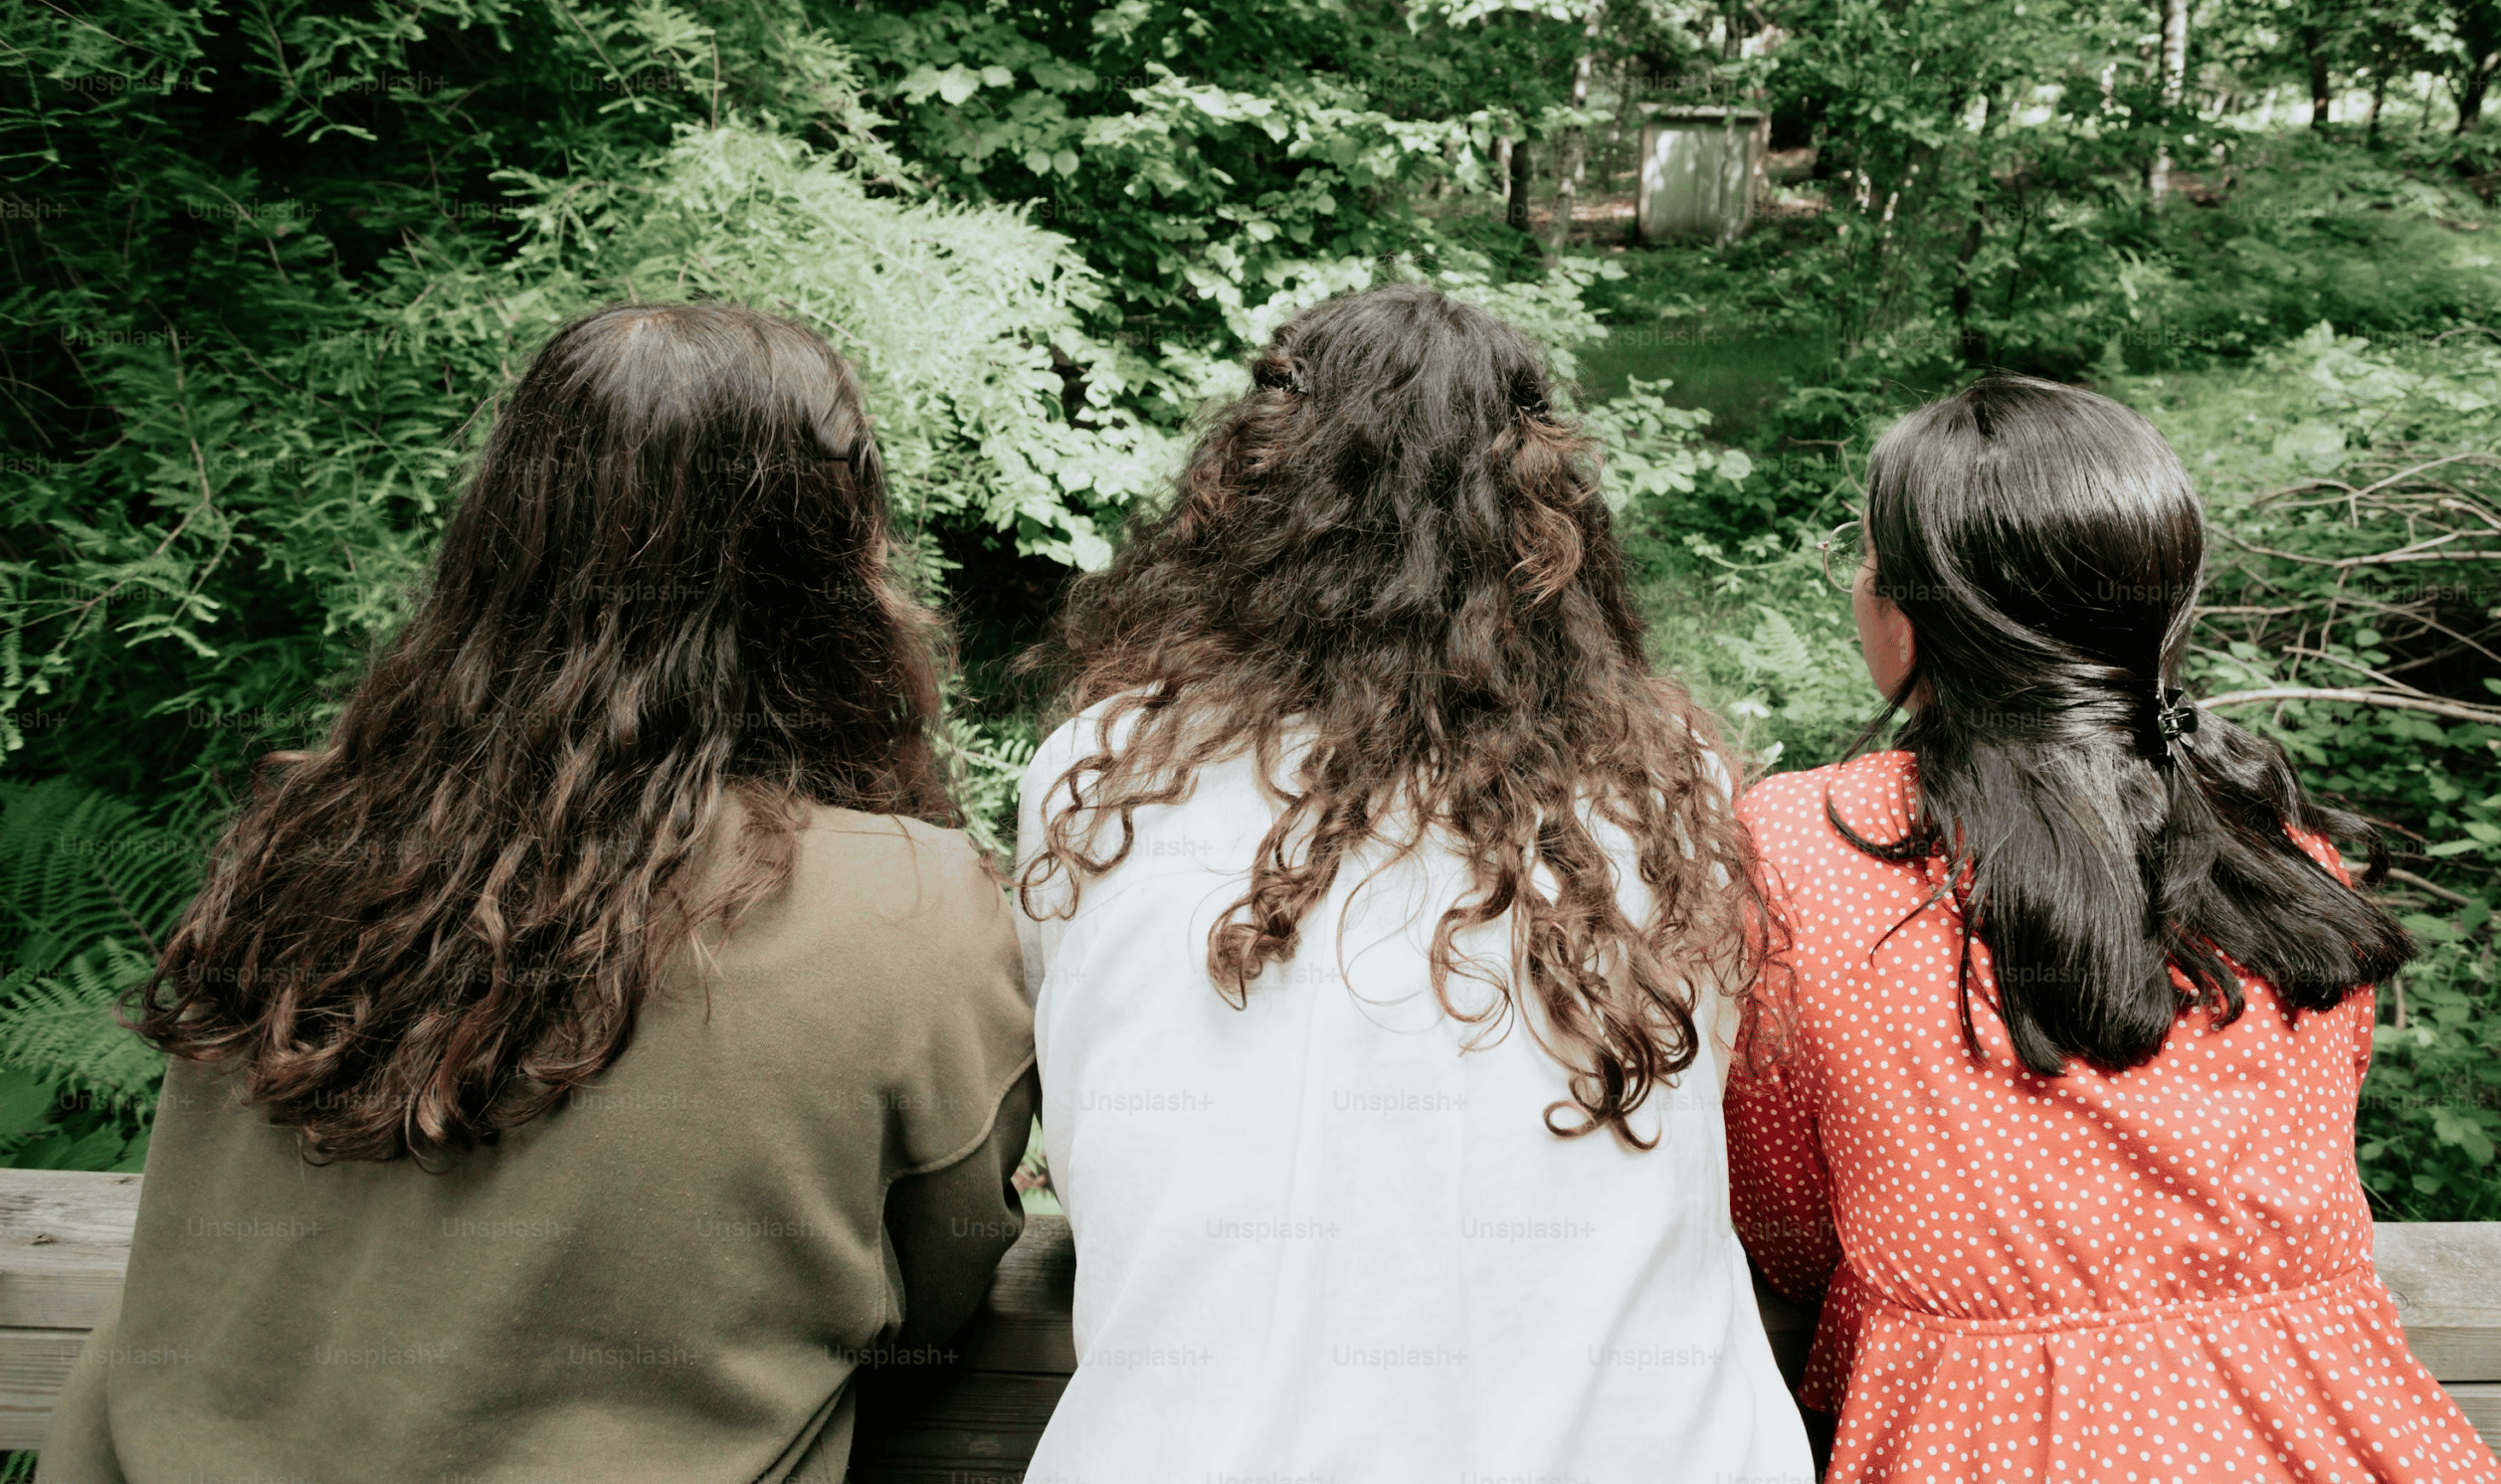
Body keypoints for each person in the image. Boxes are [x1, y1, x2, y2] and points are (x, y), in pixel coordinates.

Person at [40, 304, 1037, 1484]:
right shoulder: (911, 905)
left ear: (500, 533)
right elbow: (934, 1292)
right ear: (829, 559)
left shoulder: (300, 843)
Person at [1010, 282, 1812, 1481]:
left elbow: (1080, 1108)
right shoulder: (1664, 783)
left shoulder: (1105, 772)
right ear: (1549, 521)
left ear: (1254, 489)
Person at [1725, 372, 2501, 1483]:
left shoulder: (1806, 846)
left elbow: (1791, 1226)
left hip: (1977, 1444)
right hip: (2339, 1429)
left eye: (1866, 562)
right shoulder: (2287, 864)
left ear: (1909, 617)